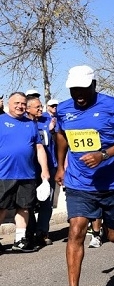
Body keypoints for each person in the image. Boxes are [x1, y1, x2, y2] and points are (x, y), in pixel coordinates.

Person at [54, 65, 114, 286]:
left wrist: (103, 154)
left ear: (93, 85)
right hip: (79, 182)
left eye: (83, 89)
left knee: (113, 235)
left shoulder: (113, 107)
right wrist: (61, 166)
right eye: (74, 90)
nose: (78, 94)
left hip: (113, 182)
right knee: (76, 228)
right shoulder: (63, 109)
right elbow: (61, 136)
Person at [0, 92, 50, 253]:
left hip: (27, 174)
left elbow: (39, 147)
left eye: (23, 104)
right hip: (4, 174)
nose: (20, 106)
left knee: (24, 208)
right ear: (9, 103)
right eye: (17, 103)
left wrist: (44, 170)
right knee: (1, 208)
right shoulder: (1, 120)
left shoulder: (31, 124)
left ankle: (20, 240)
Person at [25, 95, 58, 247]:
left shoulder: (48, 121)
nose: (40, 109)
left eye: (41, 106)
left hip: (48, 168)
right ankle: (29, 233)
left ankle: (42, 232)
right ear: (28, 108)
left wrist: (52, 131)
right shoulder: (23, 124)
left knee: (47, 202)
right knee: (28, 203)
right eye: (37, 107)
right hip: (30, 170)